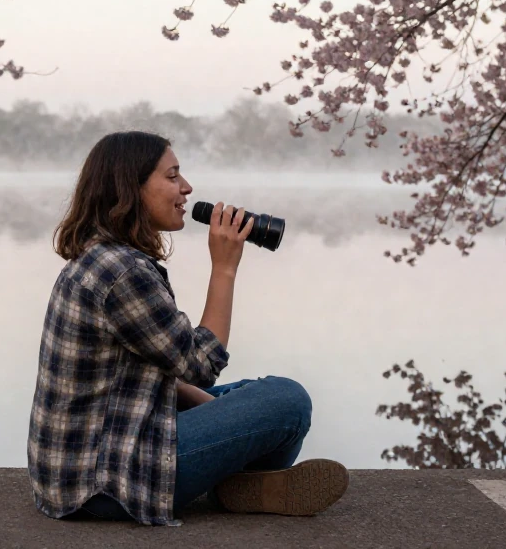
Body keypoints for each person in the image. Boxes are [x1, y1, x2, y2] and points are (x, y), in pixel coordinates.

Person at [26, 130, 349, 527]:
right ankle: (242, 483)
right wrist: (225, 267)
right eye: (172, 176)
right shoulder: (124, 273)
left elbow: (134, 373)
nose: (187, 188)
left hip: (79, 468)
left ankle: (246, 487)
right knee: (287, 401)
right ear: (131, 188)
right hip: (104, 484)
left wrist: (210, 403)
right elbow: (200, 362)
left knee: (248, 395)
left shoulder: (100, 256)